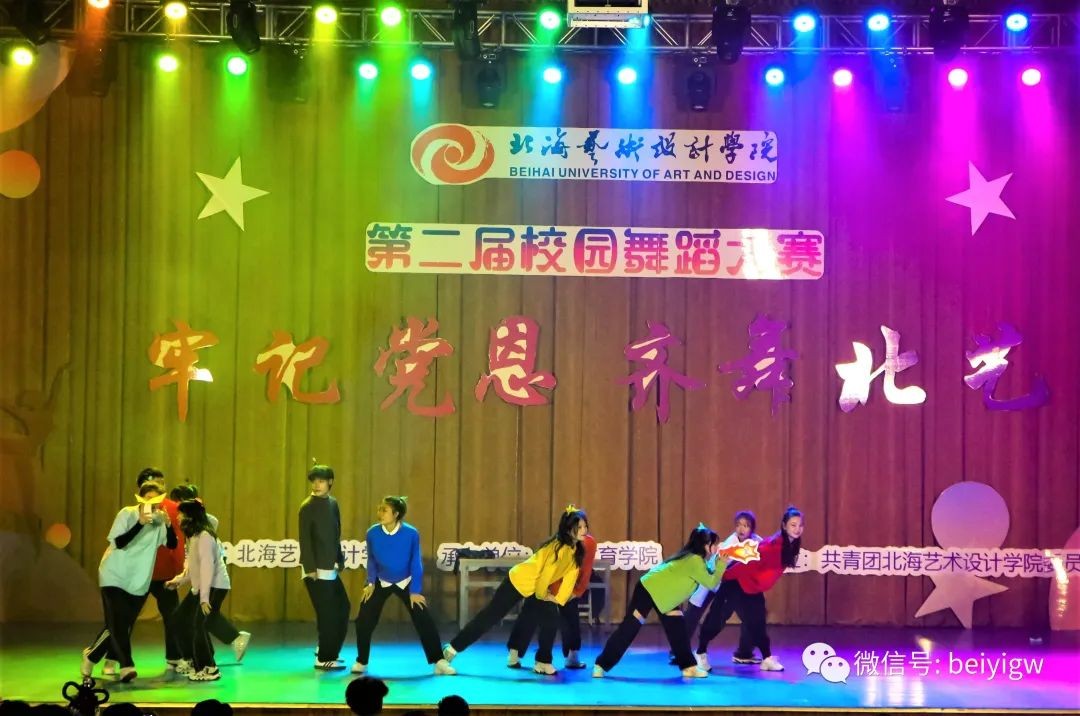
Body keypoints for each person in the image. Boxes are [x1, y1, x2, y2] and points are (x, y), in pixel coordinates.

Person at [443, 507, 588, 675]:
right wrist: (545, 596)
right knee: (489, 617)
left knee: (551, 618)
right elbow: (544, 576)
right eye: (579, 527)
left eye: (585, 526)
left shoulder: (576, 551)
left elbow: (570, 579)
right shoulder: (557, 548)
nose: (584, 530)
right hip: (519, 581)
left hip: (536, 588)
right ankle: (451, 649)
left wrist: (558, 599)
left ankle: (543, 661)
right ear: (568, 529)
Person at [592, 524, 746, 679]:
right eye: (714, 543)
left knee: (678, 629)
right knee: (629, 628)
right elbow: (711, 582)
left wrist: (719, 562)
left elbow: (709, 575)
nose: (717, 547)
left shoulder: (695, 559)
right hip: (648, 589)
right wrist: (722, 563)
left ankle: (689, 667)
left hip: (665, 597)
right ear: (706, 546)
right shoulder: (694, 560)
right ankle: (601, 665)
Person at [81, 478, 176, 682]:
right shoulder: (127, 513)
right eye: (148, 498)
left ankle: (91, 656)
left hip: (139, 581)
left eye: (156, 500)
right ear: (140, 499)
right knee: (118, 622)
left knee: (119, 625)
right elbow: (119, 542)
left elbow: (171, 544)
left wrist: (169, 525)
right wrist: (140, 524)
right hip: (114, 574)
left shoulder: (159, 521)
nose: (152, 504)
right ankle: (126, 665)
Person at [352, 496, 455, 675]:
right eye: (379, 509)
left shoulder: (411, 533)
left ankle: (439, 661)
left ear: (396, 514)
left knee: (423, 618)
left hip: (406, 582)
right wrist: (370, 582)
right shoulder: (372, 533)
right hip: (381, 581)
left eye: (384, 510)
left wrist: (415, 591)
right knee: (363, 619)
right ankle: (362, 661)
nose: (380, 513)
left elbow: (416, 562)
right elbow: (371, 560)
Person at [696, 506, 805, 672]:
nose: (797, 529)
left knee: (758, 621)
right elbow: (748, 565)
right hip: (735, 582)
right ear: (784, 526)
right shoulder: (773, 545)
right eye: (793, 525)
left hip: (752, 587)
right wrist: (725, 576)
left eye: (800, 525)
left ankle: (767, 658)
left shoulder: (790, 545)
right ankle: (700, 652)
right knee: (717, 618)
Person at [674, 509, 762, 669]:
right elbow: (718, 566)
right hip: (710, 579)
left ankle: (744, 653)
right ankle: (678, 650)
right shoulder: (730, 544)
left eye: (746, 525)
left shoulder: (756, 541)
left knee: (751, 615)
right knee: (693, 613)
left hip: (728, 587)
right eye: (738, 525)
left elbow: (764, 553)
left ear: (752, 528)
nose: (741, 529)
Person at [506, 528, 597, 670]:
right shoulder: (556, 543)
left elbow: (585, 570)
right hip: (544, 585)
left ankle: (571, 656)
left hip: (567, 587)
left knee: (570, 617)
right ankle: (515, 654)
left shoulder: (588, 543)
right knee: (530, 615)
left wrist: (575, 592)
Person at [166, 500, 234, 681]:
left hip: (215, 586)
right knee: (180, 619)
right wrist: (179, 580)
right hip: (202, 586)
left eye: (181, 514)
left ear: (190, 516)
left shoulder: (204, 536)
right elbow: (194, 568)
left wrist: (204, 598)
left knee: (199, 625)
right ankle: (194, 661)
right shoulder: (192, 536)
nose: (178, 517)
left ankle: (209, 668)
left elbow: (207, 568)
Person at [300, 464, 351, 670]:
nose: (316, 485)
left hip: (330, 568)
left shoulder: (332, 503)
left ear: (330, 482)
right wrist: (310, 568)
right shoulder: (307, 507)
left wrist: (339, 558)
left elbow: (336, 534)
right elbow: (305, 539)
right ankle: (324, 657)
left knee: (342, 608)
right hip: (316, 570)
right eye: (314, 481)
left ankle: (330, 651)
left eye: (321, 481)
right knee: (328, 614)